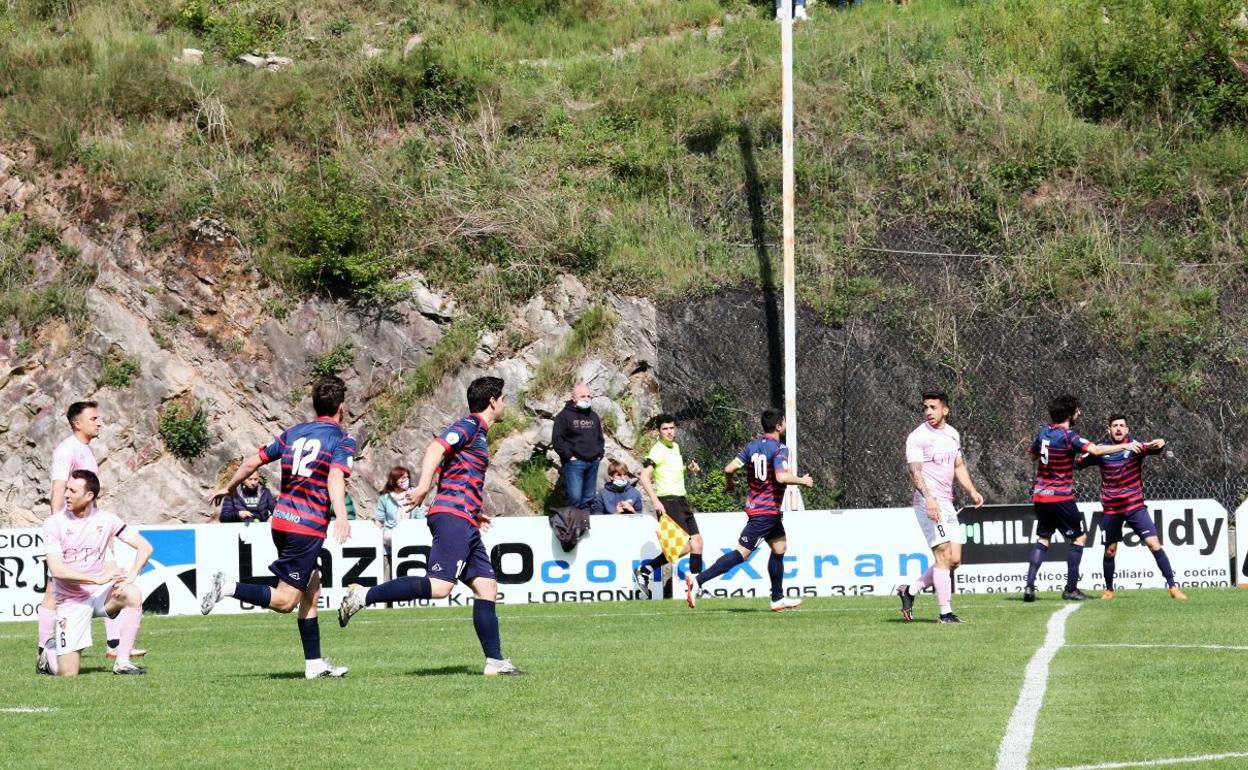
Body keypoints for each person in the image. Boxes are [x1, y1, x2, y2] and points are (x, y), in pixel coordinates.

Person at [338, 377, 525, 676]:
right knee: (439, 587)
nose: (504, 404)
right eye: (502, 399)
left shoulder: (478, 435)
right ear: (492, 401)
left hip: (464, 517)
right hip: (452, 516)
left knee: (486, 585)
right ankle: (363, 596)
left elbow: (454, 472)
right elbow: (435, 449)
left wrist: (474, 512)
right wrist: (424, 487)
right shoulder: (470, 426)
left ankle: (495, 661)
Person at [200, 375, 356, 679]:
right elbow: (335, 477)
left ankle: (314, 665)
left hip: (282, 521)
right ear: (342, 407)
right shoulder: (341, 438)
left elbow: (250, 463)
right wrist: (342, 515)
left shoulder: (293, 433)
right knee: (286, 600)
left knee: (312, 585)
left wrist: (228, 488)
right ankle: (228, 587)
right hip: (307, 527)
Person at [38, 401, 145, 672]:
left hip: (91, 530)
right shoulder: (67, 450)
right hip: (71, 534)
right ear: (78, 423)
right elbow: (59, 490)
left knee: (116, 582)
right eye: (94, 418)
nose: (99, 422)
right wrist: (63, 531)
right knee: (56, 592)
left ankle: (116, 649)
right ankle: (46, 649)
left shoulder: (85, 449)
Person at [685, 409, 813, 611]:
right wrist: (802, 481)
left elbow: (729, 469)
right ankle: (698, 581)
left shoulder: (751, 447)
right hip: (765, 512)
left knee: (779, 548)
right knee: (741, 554)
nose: (785, 425)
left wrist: (729, 484)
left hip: (761, 509)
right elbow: (781, 477)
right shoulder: (780, 448)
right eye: (784, 422)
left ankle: (777, 598)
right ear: (778, 426)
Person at [1024, 395, 1141, 603]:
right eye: (1078, 410)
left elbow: (1032, 455)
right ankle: (1071, 589)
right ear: (1069, 413)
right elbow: (1095, 450)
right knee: (1079, 537)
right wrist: (1124, 446)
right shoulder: (1069, 436)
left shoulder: (1043, 433)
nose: (1080, 413)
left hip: (1040, 495)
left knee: (1043, 538)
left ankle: (1029, 586)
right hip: (1060, 497)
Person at [39, 470, 151, 676]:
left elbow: (145, 547)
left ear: (89, 496)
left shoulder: (107, 520)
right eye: (66, 489)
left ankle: (123, 662)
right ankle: (48, 655)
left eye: (73, 490)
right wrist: (96, 578)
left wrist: (133, 574)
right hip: (71, 601)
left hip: (100, 595)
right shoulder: (54, 523)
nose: (66, 495)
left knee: (132, 593)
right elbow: (56, 569)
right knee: (68, 673)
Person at [895, 391, 984, 625]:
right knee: (943, 554)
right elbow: (914, 472)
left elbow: (959, 465)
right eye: (925, 407)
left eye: (933, 407)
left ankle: (910, 591)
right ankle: (946, 613)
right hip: (928, 501)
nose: (928, 412)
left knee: (954, 560)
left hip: (947, 502)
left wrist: (972, 490)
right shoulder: (918, 437)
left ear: (945, 409)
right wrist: (929, 498)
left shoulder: (953, 435)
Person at [1077, 414, 1185, 600]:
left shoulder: (1135, 447)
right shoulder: (1101, 450)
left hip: (1135, 507)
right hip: (1111, 510)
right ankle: (1109, 590)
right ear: (1108, 430)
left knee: (1153, 544)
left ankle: (1173, 587)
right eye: (1115, 426)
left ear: (1127, 430)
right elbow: (1078, 463)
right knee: (1110, 551)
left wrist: (1159, 442)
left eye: (1122, 426)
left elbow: (1156, 446)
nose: (1118, 429)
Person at [632, 414, 702, 594]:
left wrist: (688, 468)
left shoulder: (676, 447)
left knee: (697, 543)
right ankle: (645, 569)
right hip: (668, 501)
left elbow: (672, 471)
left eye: (671, 428)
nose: (669, 432)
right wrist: (655, 500)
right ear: (659, 431)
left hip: (682, 500)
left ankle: (696, 587)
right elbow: (644, 475)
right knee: (683, 547)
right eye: (665, 429)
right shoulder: (657, 450)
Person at [552, 383, 604, 510]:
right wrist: (570, 456)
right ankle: (569, 525)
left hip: (593, 462)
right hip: (575, 463)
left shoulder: (593, 416)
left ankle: (583, 526)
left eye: (588, 396)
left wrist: (599, 454)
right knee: (574, 497)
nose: (586, 399)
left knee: (589, 498)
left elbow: (600, 437)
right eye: (583, 396)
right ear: (573, 398)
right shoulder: (563, 416)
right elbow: (557, 440)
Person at [374, 466, 416, 552]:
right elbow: (379, 520)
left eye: (407, 477)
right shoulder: (385, 498)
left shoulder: (415, 495)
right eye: (403, 478)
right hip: (391, 534)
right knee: (388, 535)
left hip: (411, 532)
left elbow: (421, 518)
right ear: (394, 480)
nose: (406, 480)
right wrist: (375, 539)